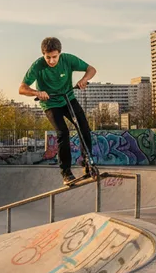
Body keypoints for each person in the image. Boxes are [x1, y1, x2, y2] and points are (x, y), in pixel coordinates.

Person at [18, 36, 97, 186]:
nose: (52, 61)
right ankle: (66, 172)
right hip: (50, 103)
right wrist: (37, 92)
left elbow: (91, 69)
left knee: (83, 126)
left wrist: (84, 79)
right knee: (63, 133)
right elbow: (22, 88)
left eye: (55, 57)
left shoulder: (68, 59)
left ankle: (87, 161)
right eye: (48, 57)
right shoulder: (37, 66)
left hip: (68, 98)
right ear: (43, 54)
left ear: (60, 53)